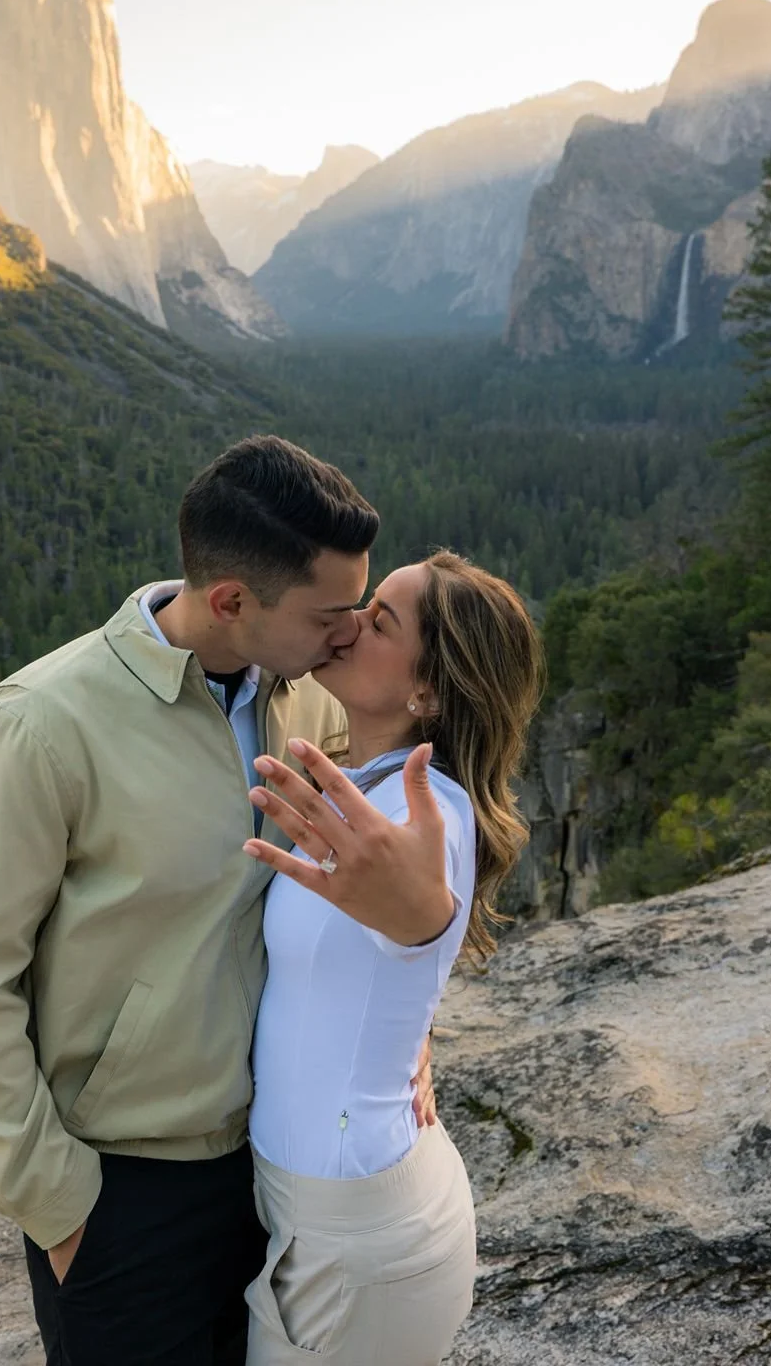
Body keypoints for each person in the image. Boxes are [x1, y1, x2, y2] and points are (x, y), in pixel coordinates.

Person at [0, 435, 443, 1366]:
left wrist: (412, 1034)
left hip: (284, 1170)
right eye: (331, 615)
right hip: (125, 1198)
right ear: (233, 601)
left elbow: (350, 908)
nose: (350, 633)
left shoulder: (309, 704)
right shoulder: (39, 726)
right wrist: (64, 1210)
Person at [240, 551, 544, 1366]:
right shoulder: (365, 777)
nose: (349, 624)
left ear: (429, 692)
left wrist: (421, 932)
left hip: (357, 1238)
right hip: (340, 1198)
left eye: (380, 622)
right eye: (361, 604)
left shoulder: (423, 812)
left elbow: (422, 911)